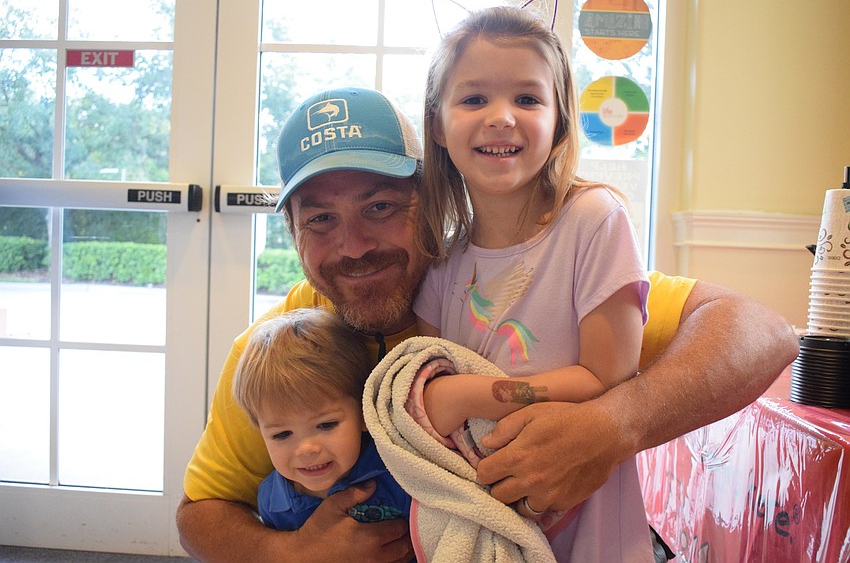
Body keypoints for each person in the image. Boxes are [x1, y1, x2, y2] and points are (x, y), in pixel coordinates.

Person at [175, 86, 799, 563]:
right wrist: (291, 555)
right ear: (292, 233)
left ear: (430, 199)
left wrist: (614, 424)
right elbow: (198, 513)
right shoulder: (280, 350)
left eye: (380, 207)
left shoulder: (515, 288)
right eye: (321, 221)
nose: (353, 246)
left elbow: (760, 332)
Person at [410, 6, 653, 560]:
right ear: (438, 126)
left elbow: (609, 376)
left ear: (560, 122)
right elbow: (424, 381)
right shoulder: (443, 263)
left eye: (527, 98)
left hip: (588, 533)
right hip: (477, 522)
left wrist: (466, 394)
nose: (501, 117)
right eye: (474, 99)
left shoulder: (595, 219)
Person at [231, 308, 410, 531]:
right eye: (282, 434)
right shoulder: (270, 501)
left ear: (365, 413)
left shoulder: (400, 474)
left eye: (326, 425)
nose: (306, 449)